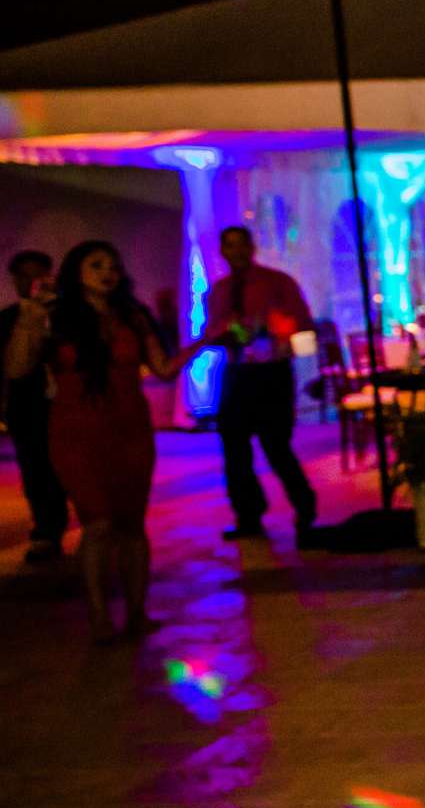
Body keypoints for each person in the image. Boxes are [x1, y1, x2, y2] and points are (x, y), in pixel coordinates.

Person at [6, 242, 171, 639]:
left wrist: (206, 340)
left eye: (113, 265)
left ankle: (136, 613)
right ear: (75, 271)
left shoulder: (133, 316)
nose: (107, 272)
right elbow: (17, 368)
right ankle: (98, 616)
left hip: (130, 428)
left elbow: (162, 367)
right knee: (97, 524)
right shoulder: (54, 316)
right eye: (96, 265)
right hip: (77, 430)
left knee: (132, 525)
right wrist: (30, 317)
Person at [200, 225, 319, 542]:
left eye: (241, 245)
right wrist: (226, 334)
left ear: (251, 247)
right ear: (223, 251)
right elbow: (211, 331)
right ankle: (248, 514)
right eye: (229, 246)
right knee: (234, 447)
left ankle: (305, 508)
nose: (236, 252)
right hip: (239, 372)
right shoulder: (221, 290)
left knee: (276, 445)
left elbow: (305, 327)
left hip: (272, 372)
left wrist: (287, 348)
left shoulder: (277, 283)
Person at [2, 250, 68, 561]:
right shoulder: (7, 319)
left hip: (67, 406)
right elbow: (10, 369)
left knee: (72, 467)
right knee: (35, 470)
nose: (31, 282)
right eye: (24, 275)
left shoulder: (67, 315)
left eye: (37, 274)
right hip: (26, 408)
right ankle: (46, 531)